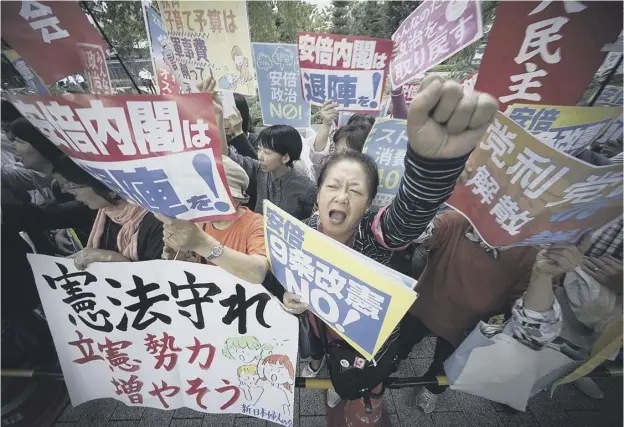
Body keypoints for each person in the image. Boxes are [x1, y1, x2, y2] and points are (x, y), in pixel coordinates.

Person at [280, 75, 498, 424]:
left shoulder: (376, 233)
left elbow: (408, 215)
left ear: (368, 203)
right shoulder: (301, 232)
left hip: (371, 345)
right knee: (331, 373)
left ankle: (367, 393)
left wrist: (431, 169)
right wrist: (290, 300)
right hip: (321, 332)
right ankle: (332, 377)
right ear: (318, 193)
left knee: (365, 385)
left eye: (355, 190)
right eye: (333, 186)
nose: (341, 196)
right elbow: (288, 280)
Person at [399, 210, 589, 413]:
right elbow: (417, 232)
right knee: (400, 343)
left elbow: (532, 333)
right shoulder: (458, 222)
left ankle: (431, 389)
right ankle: (391, 365)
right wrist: (423, 195)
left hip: (466, 329)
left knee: (446, 367)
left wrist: (542, 275)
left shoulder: (532, 257)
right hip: (422, 308)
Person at [155, 156, 270, 284]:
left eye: (211, 196)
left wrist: (201, 243)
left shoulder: (255, 224)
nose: (202, 203)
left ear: (235, 200)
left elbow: (258, 272)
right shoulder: (198, 221)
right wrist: (179, 251)